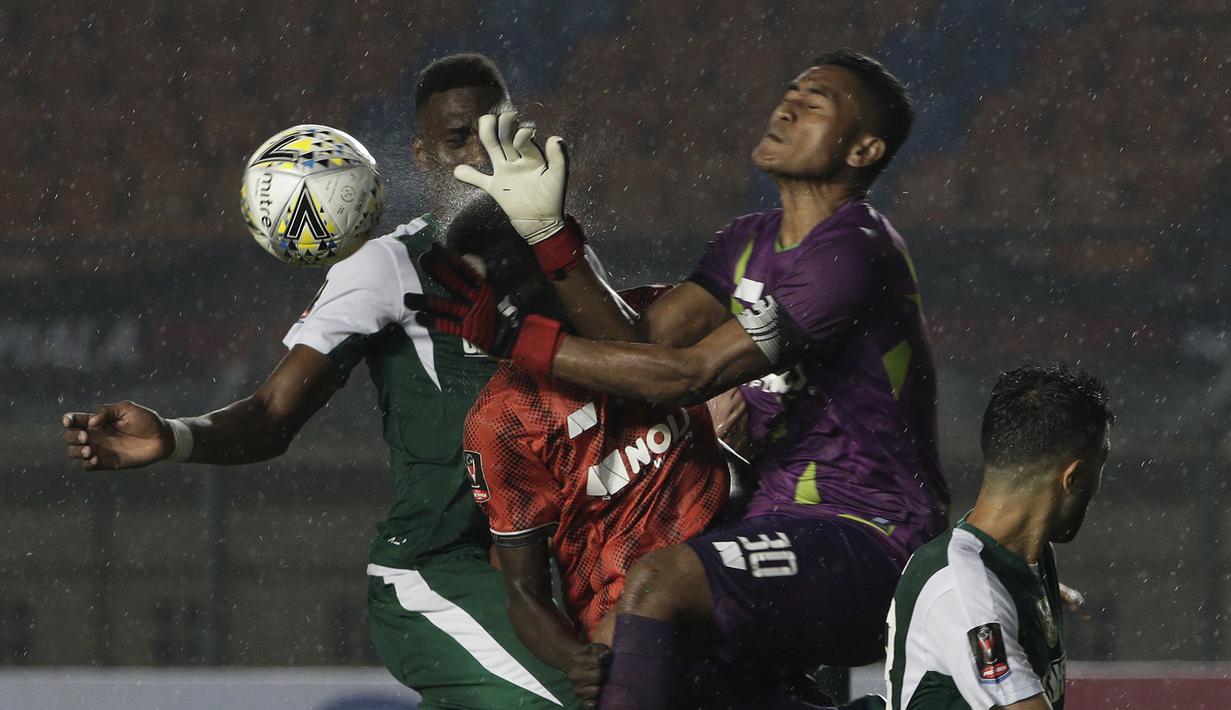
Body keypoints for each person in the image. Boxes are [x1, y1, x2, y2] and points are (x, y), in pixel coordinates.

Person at [411, 49, 950, 707]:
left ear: (864, 149)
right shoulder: (745, 242)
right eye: (789, 90)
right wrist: (549, 233)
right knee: (626, 653)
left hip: (866, 531)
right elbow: (640, 347)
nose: (787, 105)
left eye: (816, 102)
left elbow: (685, 375)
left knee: (658, 584)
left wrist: (518, 338)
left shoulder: (849, 252)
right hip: (766, 535)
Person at [61, 53, 577, 709]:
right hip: (439, 571)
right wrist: (174, 435)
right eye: (455, 138)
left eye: (491, 130)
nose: (477, 151)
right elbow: (274, 412)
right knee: (579, 693)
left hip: (549, 567)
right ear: (421, 156)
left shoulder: (565, 265)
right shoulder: (390, 267)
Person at [422, 198, 731, 702]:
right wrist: (576, 659)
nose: (512, 305)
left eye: (518, 281)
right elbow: (524, 590)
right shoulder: (503, 418)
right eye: (496, 293)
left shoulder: (658, 317)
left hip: (738, 588)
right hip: (635, 628)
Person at [884, 364, 1113, 709]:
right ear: (1073, 476)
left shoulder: (1028, 562)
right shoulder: (966, 588)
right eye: (1102, 466)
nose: (1098, 487)